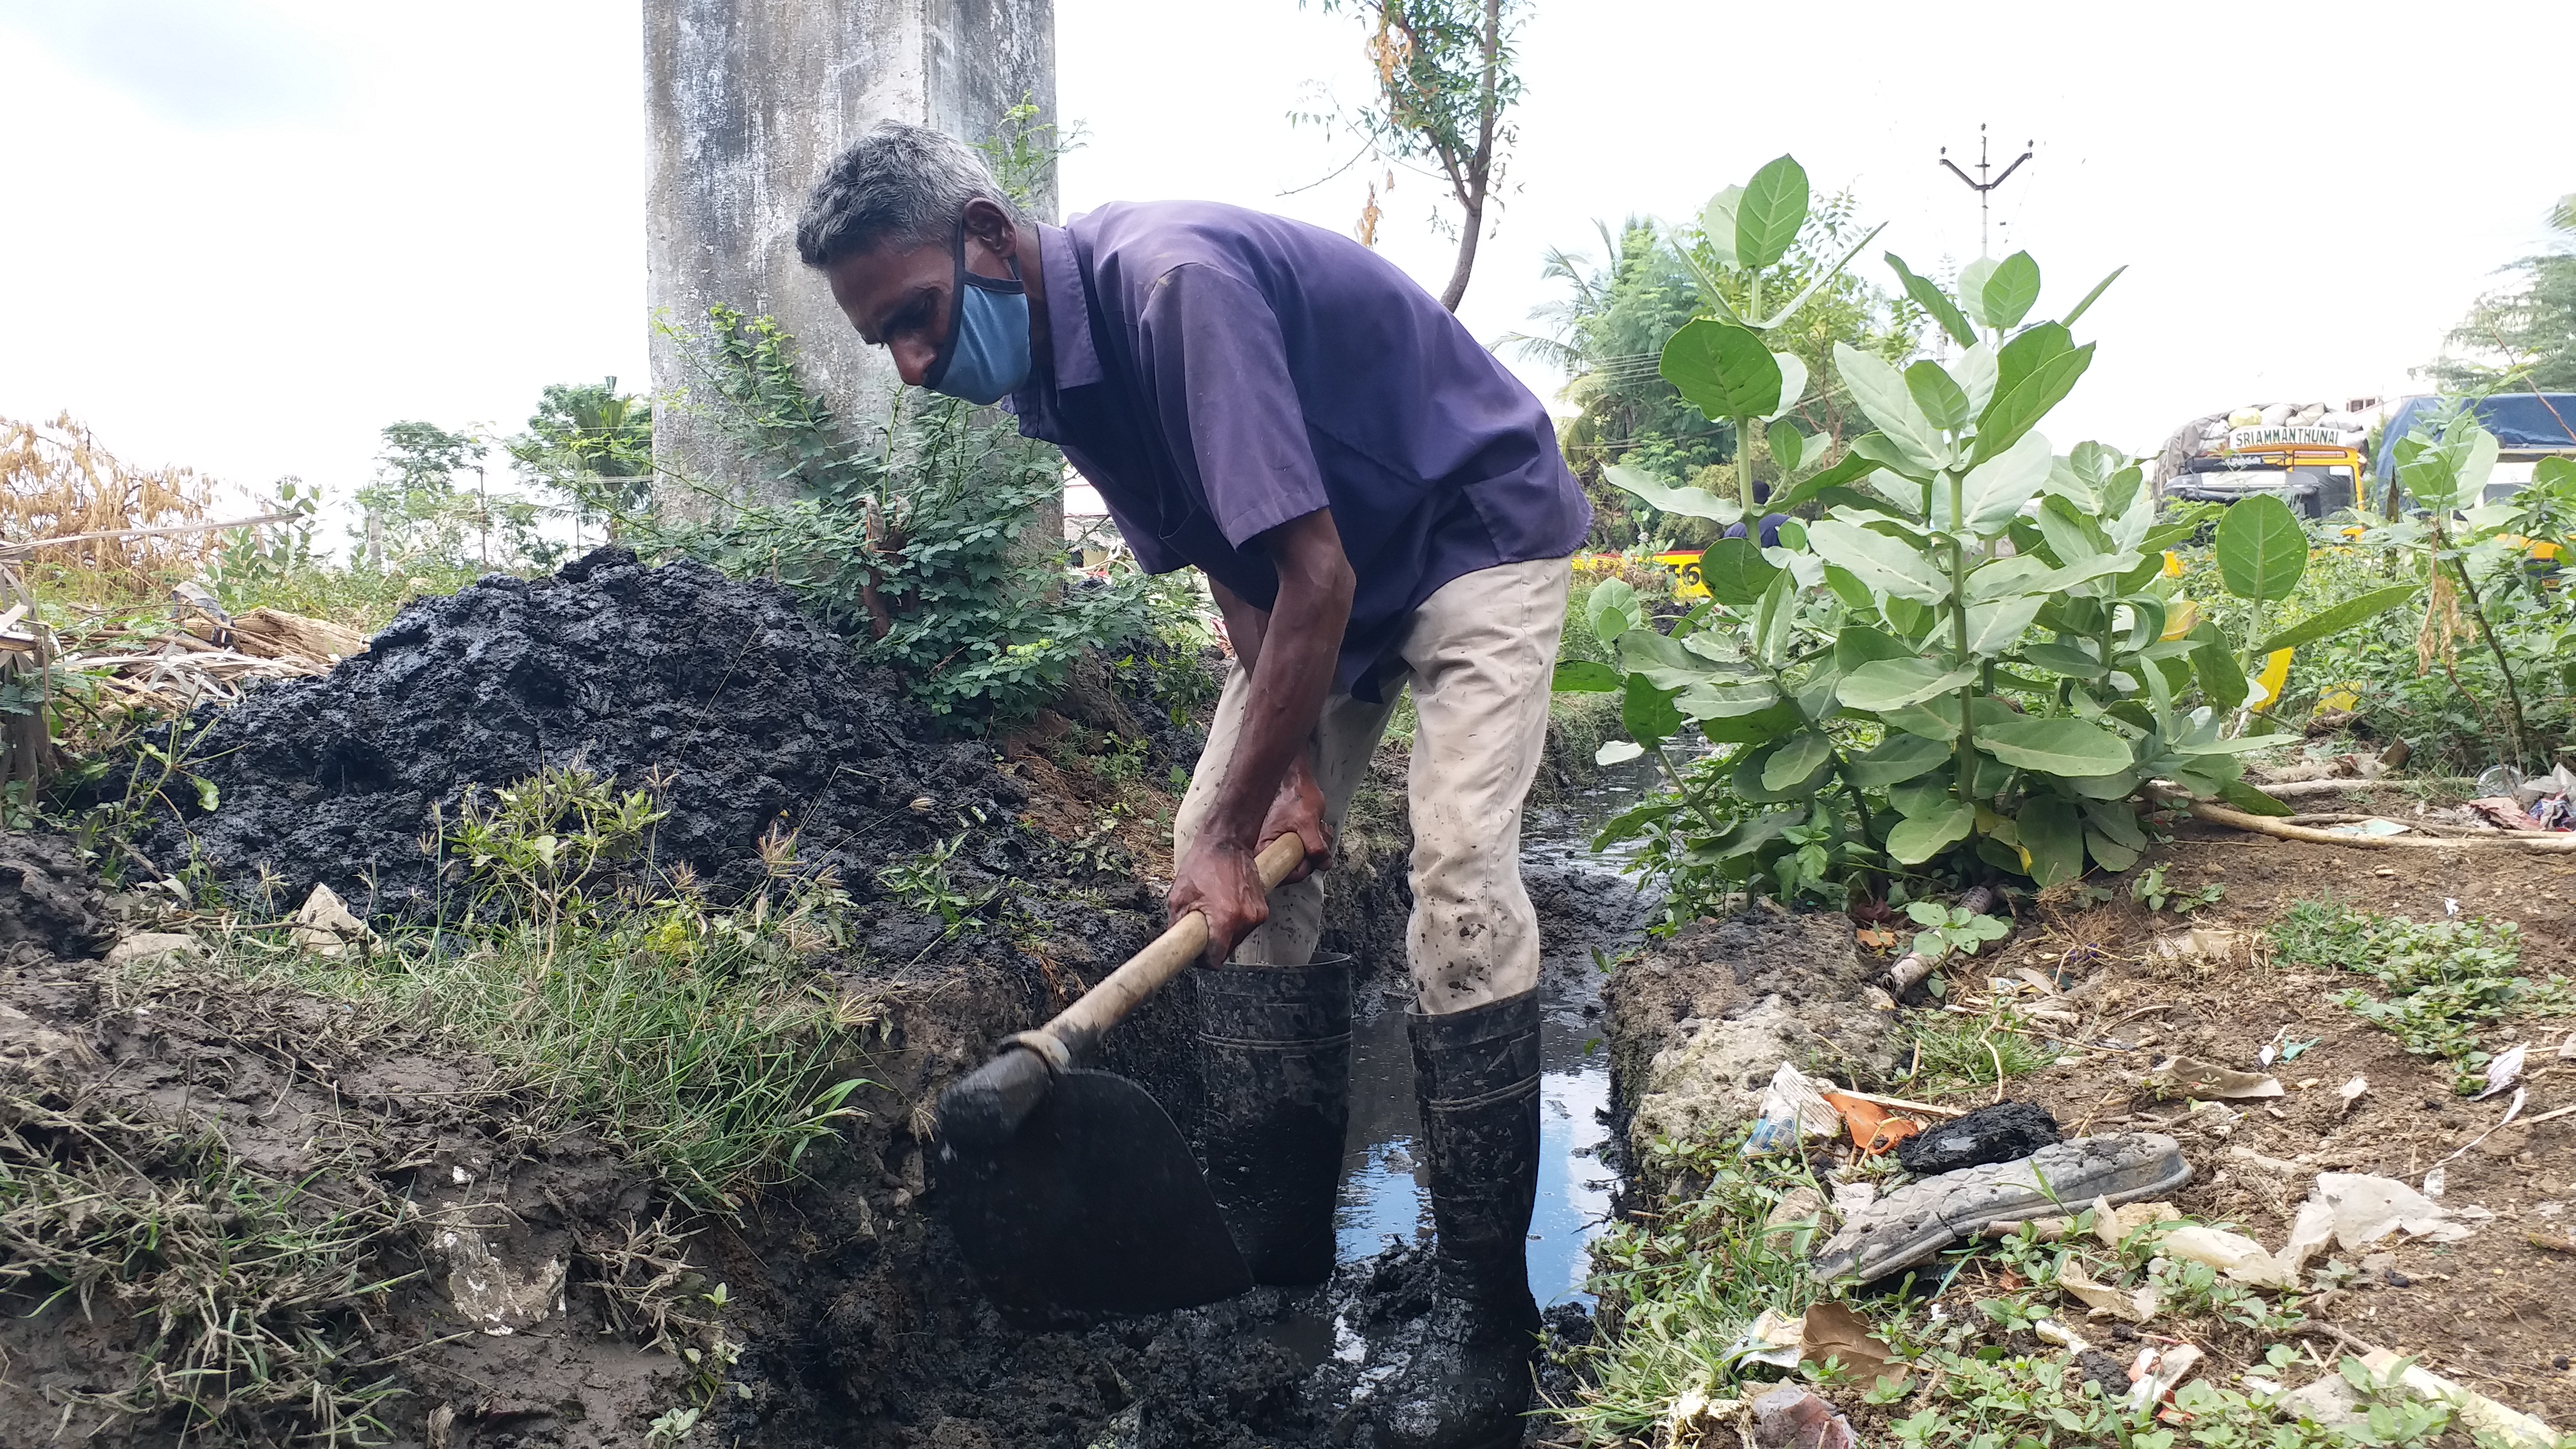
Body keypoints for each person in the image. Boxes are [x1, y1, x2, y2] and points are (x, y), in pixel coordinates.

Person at [796, 120, 1588, 1449]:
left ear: (987, 235)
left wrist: (1241, 814)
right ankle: (1278, 1235)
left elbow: (1318, 580)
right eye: (886, 340)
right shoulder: (1052, 374)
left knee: (1453, 870)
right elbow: (1246, 567)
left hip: (1469, 524)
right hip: (1326, 575)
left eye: (920, 315)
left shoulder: (1173, 291)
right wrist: (1267, 785)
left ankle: (1482, 1317)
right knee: (1213, 836)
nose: (915, 362)